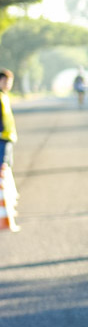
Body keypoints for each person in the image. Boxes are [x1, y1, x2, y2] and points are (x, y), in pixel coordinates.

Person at [0, 69, 19, 232]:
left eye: (9, 82)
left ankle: (8, 201)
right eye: (5, 81)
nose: (8, 84)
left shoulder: (4, 95)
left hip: (8, 137)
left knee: (6, 168)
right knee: (2, 169)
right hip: (2, 138)